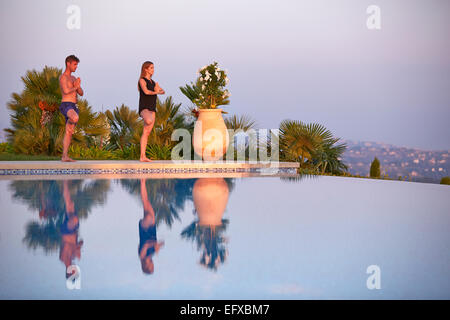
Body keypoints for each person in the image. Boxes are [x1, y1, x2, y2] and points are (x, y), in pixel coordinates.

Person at [138, 61, 165, 162]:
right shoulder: (142, 80)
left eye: (153, 68)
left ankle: (142, 156)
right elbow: (146, 91)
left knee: (146, 132)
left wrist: (158, 90)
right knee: (148, 120)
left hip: (152, 108)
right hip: (144, 107)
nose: (153, 70)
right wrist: (156, 91)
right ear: (145, 69)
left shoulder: (153, 82)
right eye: (151, 68)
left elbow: (163, 91)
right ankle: (142, 156)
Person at [59, 55, 83, 162]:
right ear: (68, 63)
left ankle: (65, 156)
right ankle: (70, 120)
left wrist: (78, 86)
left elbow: (81, 93)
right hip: (66, 104)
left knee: (69, 132)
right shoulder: (63, 77)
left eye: (77, 65)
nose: (76, 67)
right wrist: (75, 86)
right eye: (74, 64)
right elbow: (66, 91)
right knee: (75, 118)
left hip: (74, 106)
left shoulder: (74, 78)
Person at [138, 179, 164, 274]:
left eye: (151, 266)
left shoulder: (142, 256)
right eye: (153, 266)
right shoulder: (151, 254)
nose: (152, 264)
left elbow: (145, 245)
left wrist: (154, 245)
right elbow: (157, 243)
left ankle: (142, 182)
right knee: (146, 202)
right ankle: (142, 182)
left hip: (145, 229)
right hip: (151, 228)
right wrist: (159, 245)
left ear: (146, 266)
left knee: (149, 215)